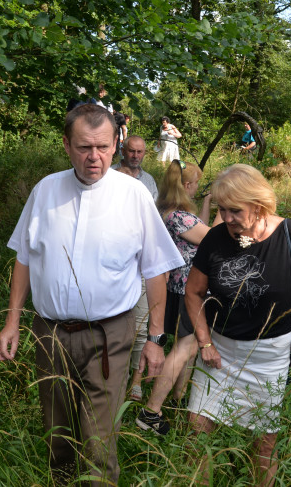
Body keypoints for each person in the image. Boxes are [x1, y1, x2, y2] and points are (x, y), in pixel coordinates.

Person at [0, 104, 183, 485]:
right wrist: (12, 320)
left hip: (109, 336)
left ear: (117, 144)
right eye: (83, 147)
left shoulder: (134, 196)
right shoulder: (45, 191)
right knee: (58, 433)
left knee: (97, 441)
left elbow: (156, 268)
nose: (93, 157)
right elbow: (25, 258)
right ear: (66, 145)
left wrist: (156, 339)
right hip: (50, 333)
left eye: (102, 146)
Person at [185, 164, 291, 487]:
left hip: (269, 358)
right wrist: (204, 342)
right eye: (221, 209)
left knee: (264, 444)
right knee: (196, 432)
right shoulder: (216, 238)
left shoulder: (289, 234)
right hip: (218, 353)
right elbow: (193, 291)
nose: (226, 217)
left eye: (234, 210)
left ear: (258, 205)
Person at [135, 159, 212, 436]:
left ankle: (177, 401)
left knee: (185, 348)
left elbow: (200, 226)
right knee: (186, 349)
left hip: (173, 289)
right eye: (196, 186)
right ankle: (152, 410)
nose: (197, 190)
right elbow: (213, 238)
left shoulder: (165, 211)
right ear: (187, 186)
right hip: (186, 291)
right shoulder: (180, 217)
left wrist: (209, 202)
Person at [112, 135, 159, 401]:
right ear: (122, 150)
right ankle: (111, 379)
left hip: (140, 262)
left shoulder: (149, 181)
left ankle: (136, 383)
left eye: (140, 152)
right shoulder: (108, 176)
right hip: (112, 262)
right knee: (112, 322)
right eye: (131, 151)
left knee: (142, 324)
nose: (136, 156)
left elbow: (152, 221)